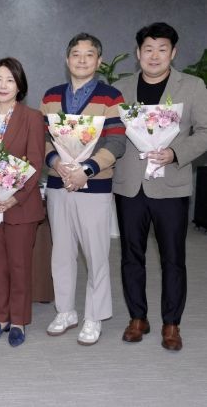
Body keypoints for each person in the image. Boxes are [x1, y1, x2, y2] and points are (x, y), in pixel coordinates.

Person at [113, 23, 207, 351]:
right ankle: (137, 317)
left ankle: (171, 323)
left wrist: (175, 153)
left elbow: (205, 131)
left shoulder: (192, 86)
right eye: (148, 49)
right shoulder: (120, 89)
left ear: (173, 53)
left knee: (173, 258)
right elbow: (111, 133)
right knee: (130, 256)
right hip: (130, 185)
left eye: (162, 49)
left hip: (171, 185)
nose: (154, 56)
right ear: (138, 53)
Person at [41, 33, 126, 346]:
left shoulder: (111, 97)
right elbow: (43, 138)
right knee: (61, 253)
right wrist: (56, 163)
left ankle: (94, 316)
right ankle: (65, 311)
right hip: (58, 184)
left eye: (89, 54)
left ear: (99, 61)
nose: (81, 59)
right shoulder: (51, 96)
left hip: (95, 186)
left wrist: (86, 170)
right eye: (76, 54)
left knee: (96, 254)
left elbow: (116, 142)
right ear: (67, 60)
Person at [0, 58, 45, 347]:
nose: (3, 85)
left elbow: (35, 164)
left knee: (19, 265)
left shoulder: (33, 117)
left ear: (19, 85)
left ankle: (18, 322)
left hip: (20, 207)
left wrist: (14, 198)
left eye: (10, 80)